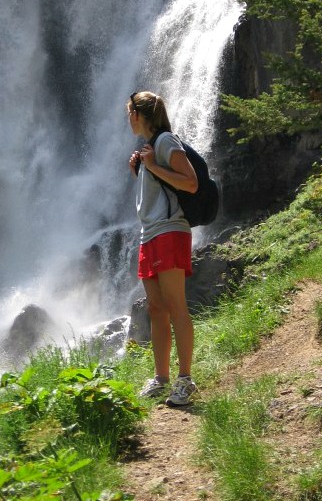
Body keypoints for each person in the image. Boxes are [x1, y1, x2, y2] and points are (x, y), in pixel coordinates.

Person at [127, 91, 198, 406]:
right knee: (156, 308)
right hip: (150, 234)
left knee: (175, 305)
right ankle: (160, 378)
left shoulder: (166, 141)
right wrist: (141, 171)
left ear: (138, 115)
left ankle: (185, 380)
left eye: (129, 113)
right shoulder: (148, 150)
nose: (128, 119)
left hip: (170, 231)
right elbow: (160, 189)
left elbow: (191, 183)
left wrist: (152, 167)